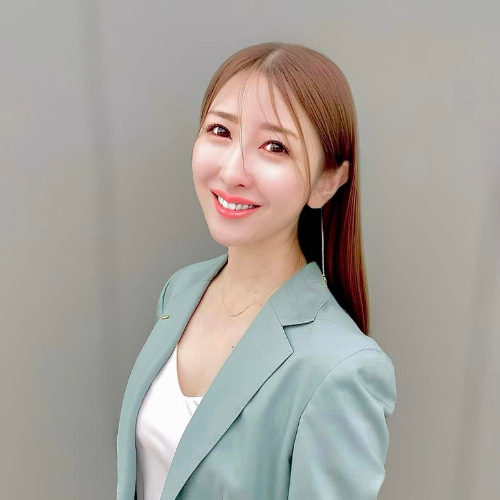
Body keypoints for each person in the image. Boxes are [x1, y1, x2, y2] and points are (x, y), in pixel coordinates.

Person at [116, 41, 397, 500]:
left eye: (274, 146)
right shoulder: (182, 291)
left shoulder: (340, 369)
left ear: (327, 181)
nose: (232, 172)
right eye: (220, 130)